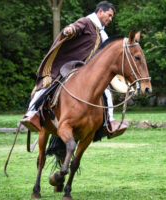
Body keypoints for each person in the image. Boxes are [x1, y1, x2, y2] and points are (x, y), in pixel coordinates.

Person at [21, 1, 128, 136]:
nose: (110, 19)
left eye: (112, 17)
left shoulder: (103, 34)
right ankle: (32, 115)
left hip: (85, 71)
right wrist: (69, 29)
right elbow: (76, 27)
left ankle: (110, 122)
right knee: (48, 83)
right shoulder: (86, 22)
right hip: (66, 64)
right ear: (100, 11)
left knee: (105, 89)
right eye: (109, 15)